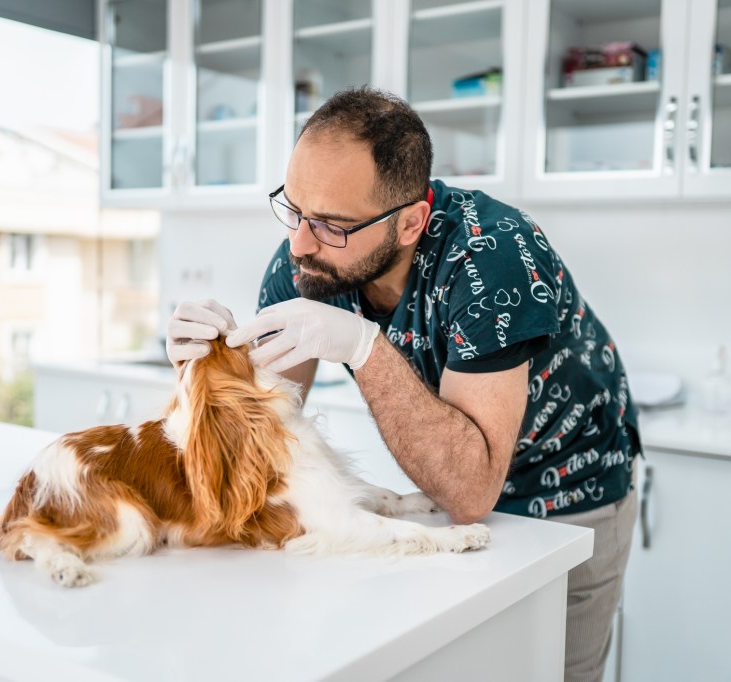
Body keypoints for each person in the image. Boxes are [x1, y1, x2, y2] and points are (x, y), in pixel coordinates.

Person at [166, 86, 641, 682]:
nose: (299, 244)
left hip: (571, 498)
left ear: (411, 221)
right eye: (293, 208)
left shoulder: (491, 258)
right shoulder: (310, 257)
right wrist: (202, 370)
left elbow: (472, 490)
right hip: (445, 503)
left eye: (333, 225)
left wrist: (365, 348)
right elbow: (262, 433)